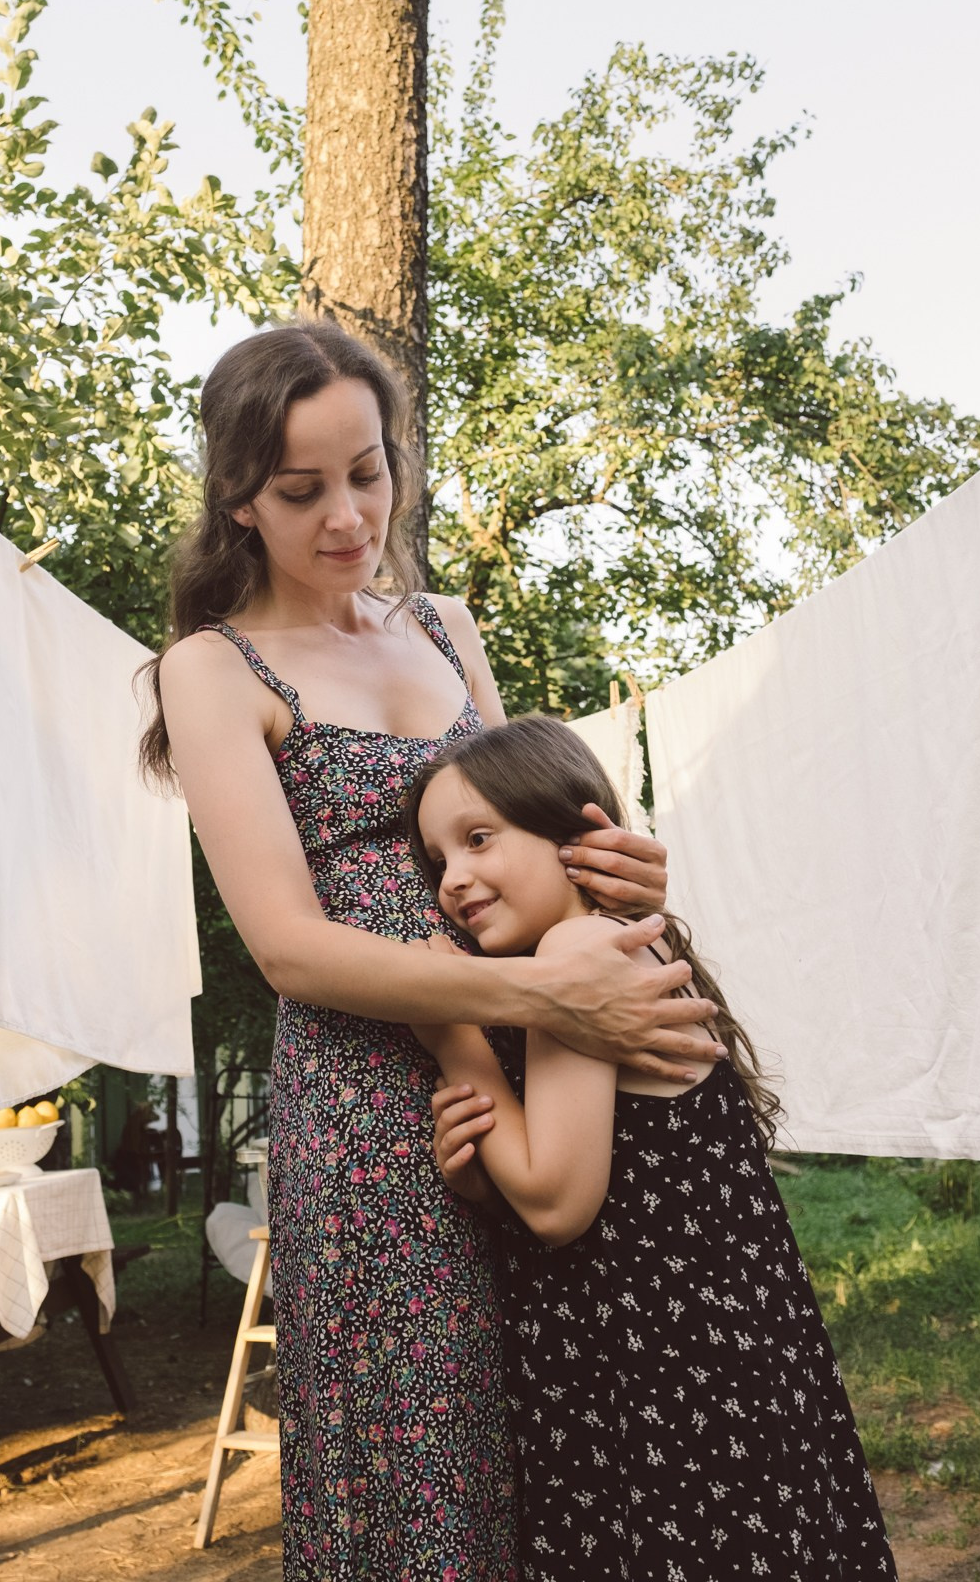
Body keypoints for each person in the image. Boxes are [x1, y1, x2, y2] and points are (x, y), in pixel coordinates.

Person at [141, 321, 720, 1579]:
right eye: (303, 491)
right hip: (374, 1117)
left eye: (370, 470)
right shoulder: (210, 668)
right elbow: (292, 949)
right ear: (239, 499)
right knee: (426, 1469)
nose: (350, 516)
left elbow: (520, 826)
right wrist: (541, 988)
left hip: (541, 1064)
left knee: (575, 1424)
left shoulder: (447, 626)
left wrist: (616, 864)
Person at [413, 716, 897, 1581]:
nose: (454, 879)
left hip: (669, 1385)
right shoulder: (617, 938)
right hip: (721, 1362)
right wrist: (490, 1187)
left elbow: (559, 1205)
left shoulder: (579, 951)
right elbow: (603, 1180)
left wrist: (452, 1034)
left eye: (479, 838)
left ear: (579, 831)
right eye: (438, 860)